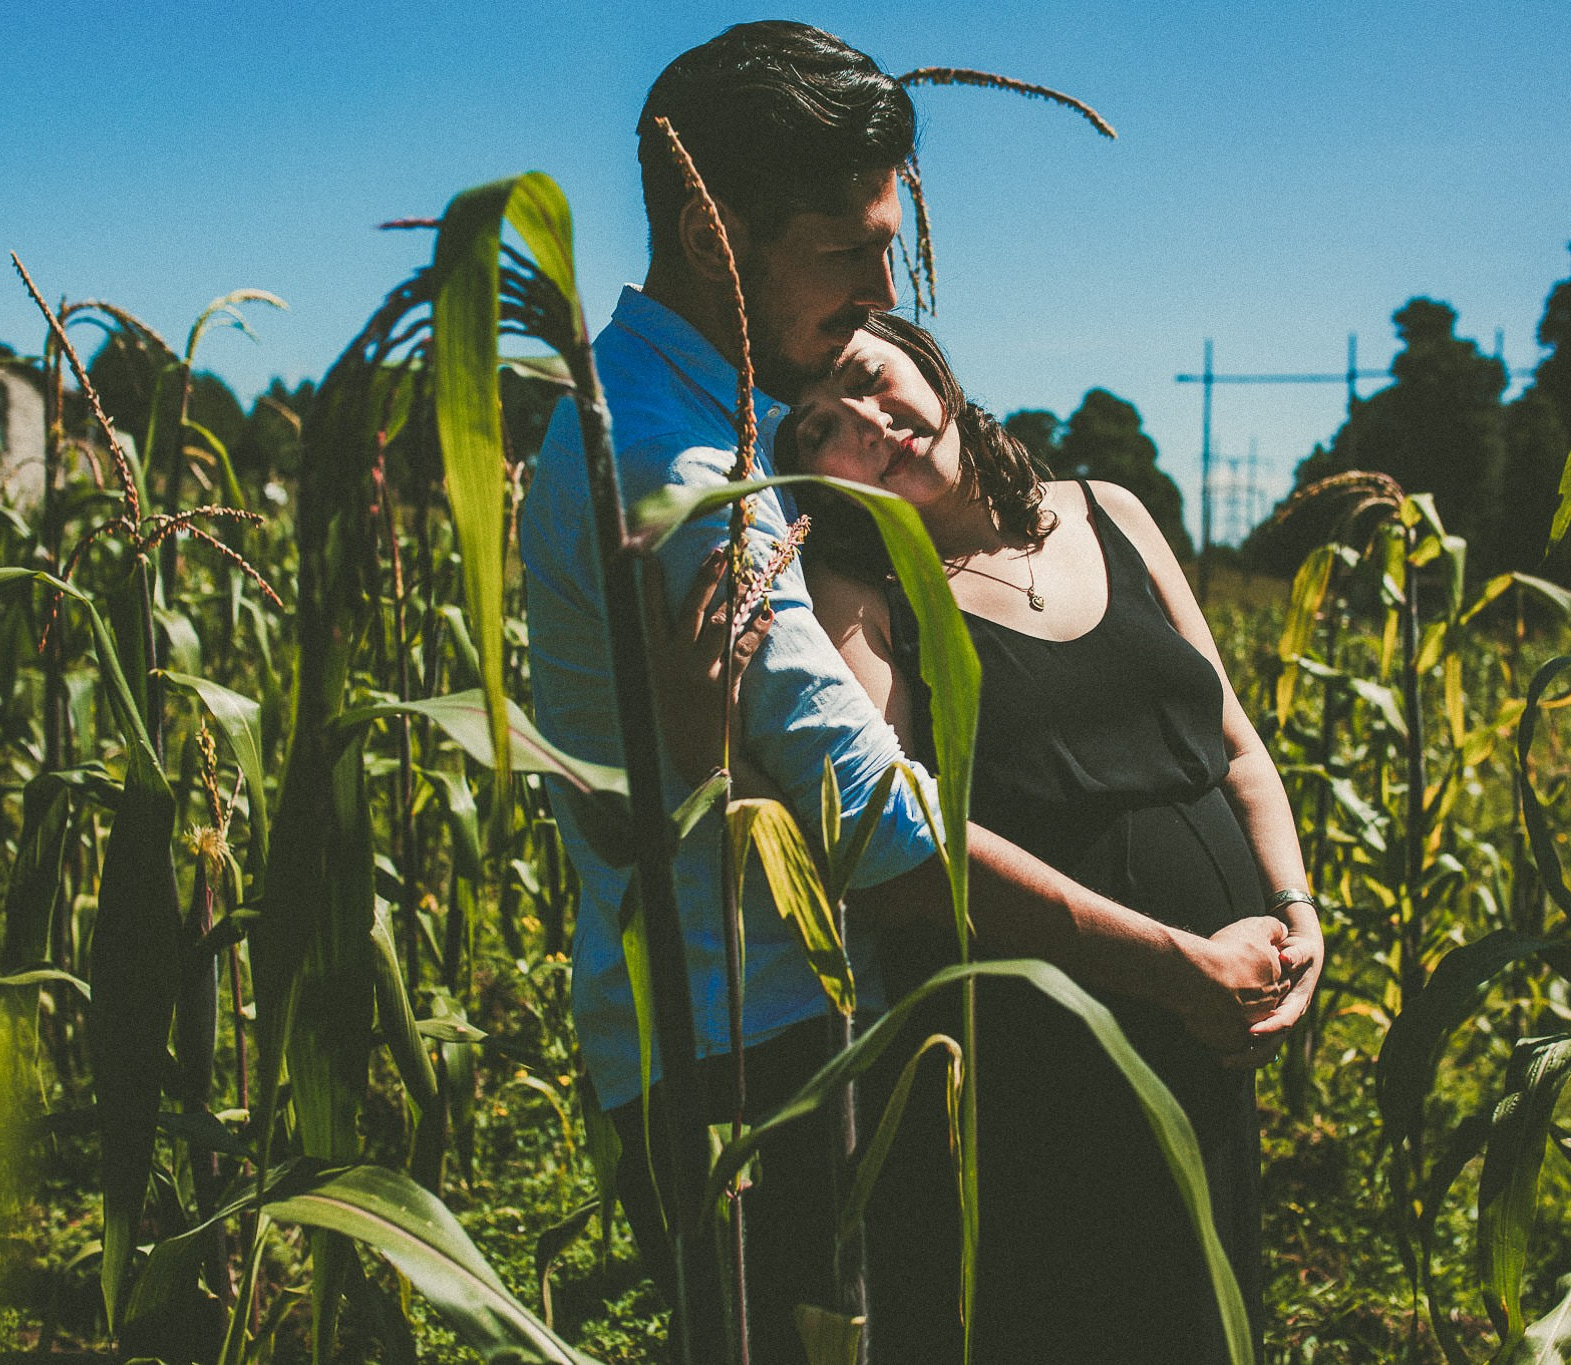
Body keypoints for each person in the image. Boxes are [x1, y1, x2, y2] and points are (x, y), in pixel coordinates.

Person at [519, 21, 1309, 1363]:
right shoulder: (677, 467)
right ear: (720, 239)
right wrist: (1181, 970)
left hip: (835, 1052)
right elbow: (875, 836)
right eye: (848, 250)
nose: (886, 285)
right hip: (771, 1078)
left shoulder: (754, 420)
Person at [773, 310, 1324, 1362]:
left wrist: (1295, 914)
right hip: (1040, 1051)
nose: (864, 420)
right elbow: (899, 847)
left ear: (925, 363)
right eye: (814, 428)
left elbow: (1236, 745)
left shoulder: (1107, 510)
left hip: (1206, 1031)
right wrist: (1175, 965)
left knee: (1203, 1312)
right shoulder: (860, 593)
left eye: (863, 376)